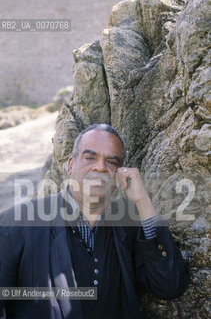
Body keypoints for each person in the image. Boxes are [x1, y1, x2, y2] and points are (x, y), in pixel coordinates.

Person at [0, 124, 189, 319]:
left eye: (111, 162)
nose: (100, 167)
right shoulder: (16, 223)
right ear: (71, 164)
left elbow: (170, 286)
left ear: (119, 174)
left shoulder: (128, 225)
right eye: (90, 158)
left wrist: (143, 202)